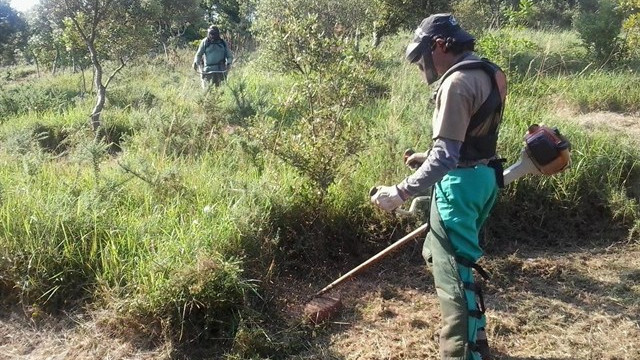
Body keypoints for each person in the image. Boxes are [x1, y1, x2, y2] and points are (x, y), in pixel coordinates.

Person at [371, 13, 507, 360]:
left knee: (453, 281)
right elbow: (471, 138)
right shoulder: (488, 72)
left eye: (422, 58)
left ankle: (462, 353)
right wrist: (426, 156)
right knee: (440, 254)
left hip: (459, 188)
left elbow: (447, 156)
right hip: (483, 179)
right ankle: (476, 339)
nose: (421, 67)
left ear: (440, 46)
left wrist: (399, 192)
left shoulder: (456, 83)